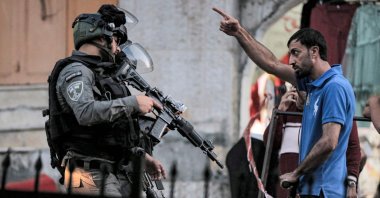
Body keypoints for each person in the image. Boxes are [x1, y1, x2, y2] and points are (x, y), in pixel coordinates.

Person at [213, 7, 356, 197]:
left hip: (325, 190)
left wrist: (297, 173)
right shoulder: (310, 83)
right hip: (309, 188)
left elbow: (329, 141)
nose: (291, 60)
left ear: (314, 52)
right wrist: (239, 32)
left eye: (296, 53)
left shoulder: (334, 86)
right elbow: (271, 63)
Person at [47, 4, 166, 197]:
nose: (118, 49)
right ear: (102, 38)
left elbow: (109, 131)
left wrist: (142, 155)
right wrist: (133, 103)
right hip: (84, 173)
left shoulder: (102, 76)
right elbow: (85, 113)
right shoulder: (76, 71)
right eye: (116, 41)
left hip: (115, 169)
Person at [263, 88, 362, 198]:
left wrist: (352, 183)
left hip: (320, 190)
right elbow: (270, 144)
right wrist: (279, 111)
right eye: (296, 87)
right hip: (287, 189)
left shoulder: (331, 106)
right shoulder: (288, 108)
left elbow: (353, 148)